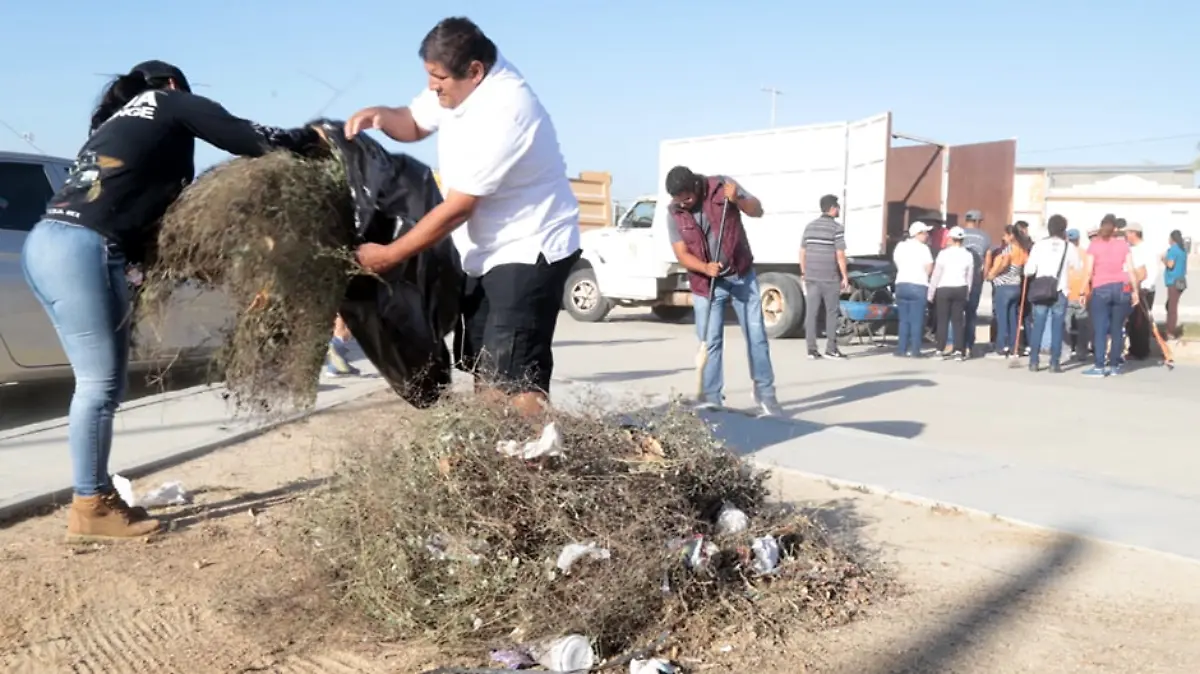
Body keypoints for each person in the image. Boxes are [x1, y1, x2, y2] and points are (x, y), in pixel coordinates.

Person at [21, 60, 323, 542]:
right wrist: (310, 138)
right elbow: (249, 137)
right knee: (100, 388)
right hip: (85, 247)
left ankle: (94, 498)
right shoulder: (168, 101)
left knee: (96, 385)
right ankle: (90, 504)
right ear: (175, 84)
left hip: (44, 244)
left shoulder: (112, 126)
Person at [344, 17, 581, 417]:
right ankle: (492, 452)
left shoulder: (507, 108)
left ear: (474, 71)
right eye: (429, 78)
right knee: (483, 369)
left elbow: (458, 207)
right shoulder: (458, 89)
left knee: (517, 377)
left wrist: (389, 255)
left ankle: (540, 463)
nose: (433, 88)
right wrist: (381, 115)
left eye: (439, 80)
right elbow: (415, 122)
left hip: (528, 251)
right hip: (485, 253)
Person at [664, 167, 781, 417]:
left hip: (741, 275)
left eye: (686, 198)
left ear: (695, 186)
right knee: (710, 342)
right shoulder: (674, 213)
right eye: (677, 200)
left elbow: (757, 210)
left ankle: (766, 393)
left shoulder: (722, 186)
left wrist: (738, 198)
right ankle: (712, 397)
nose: (683, 204)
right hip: (706, 284)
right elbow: (682, 253)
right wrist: (705, 267)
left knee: (757, 336)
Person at [1023, 215, 1083, 373]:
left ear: (1049, 228)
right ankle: (1054, 363)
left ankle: (1034, 361)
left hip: (1041, 290)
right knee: (1058, 327)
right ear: (1064, 229)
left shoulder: (1039, 245)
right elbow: (1077, 266)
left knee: (1038, 326)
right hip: (1060, 289)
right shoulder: (1068, 247)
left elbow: (1029, 270)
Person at [1083, 214, 1140, 377]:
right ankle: (1115, 365)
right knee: (1117, 329)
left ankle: (1099, 366)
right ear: (1116, 228)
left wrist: (1082, 291)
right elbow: (1130, 269)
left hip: (1101, 288)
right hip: (1122, 288)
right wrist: (1135, 291)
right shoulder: (1123, 245)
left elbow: (1088, 271)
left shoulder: (1094, 245)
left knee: (1100, 329)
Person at [800, 194, 850, 360]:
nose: (839, 209)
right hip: (829, 277)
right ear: (832, 208)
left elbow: (802, 251)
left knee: (811, 313)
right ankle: (831, 349)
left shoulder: (809, 227)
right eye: (837, 207)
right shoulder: (837, 228)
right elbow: (840, 254)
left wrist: (803, 271)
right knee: (831, 313)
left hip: (811, 277)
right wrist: (845, 276)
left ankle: (811, 350)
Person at [928, 226, 974, 360]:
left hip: (944, 288)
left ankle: (940, 350)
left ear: (951, 239)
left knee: (942, 320)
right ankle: (959, 350)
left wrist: (931, 293)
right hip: (961, 288)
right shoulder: (968, 255)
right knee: (958, 321)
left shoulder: (943, 254)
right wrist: (967, 292)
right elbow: (969, 276)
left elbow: (936, 274)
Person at [986, 224, 1029, 359]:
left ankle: (1001, 347)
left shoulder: (1009, 249)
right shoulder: (1023, 250)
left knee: (1002, 317)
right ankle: (1013, 347)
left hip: (1004, 286)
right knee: (1013, 318)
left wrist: (993, 274)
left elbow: (1004, 263)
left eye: (1005, 235)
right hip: (1016, 285)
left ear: (1011, 236)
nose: (1003, 237)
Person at [891, 222, 934, 357]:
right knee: (917, 319)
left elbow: (897, 262)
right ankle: (915, 350)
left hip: (901, 284)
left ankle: (901, 349)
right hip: (918, 285)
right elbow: (929, 267)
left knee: (904, 319)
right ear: (918, 234)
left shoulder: (900, 246)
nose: (927, 235)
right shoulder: (924, 249)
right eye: (925, 233)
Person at [955, 209, 992, 355]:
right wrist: (984, 276)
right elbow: (987, 259)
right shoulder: (985, 237)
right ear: (977, 221)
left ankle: (956, 344)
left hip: (958, 277)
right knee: (971, 313)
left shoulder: (958, 233)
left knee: (957, 313)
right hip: (975, 278)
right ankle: (969, 345)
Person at [1124, 223, 1158, 360]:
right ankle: (1134, 349)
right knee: (1132, 320)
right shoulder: (1132, 249)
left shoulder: (1145, 249)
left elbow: (1149, 271)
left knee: (1141, 321)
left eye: (1127, 233)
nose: (1126, 236)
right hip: (1133, 288)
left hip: (1143, 290)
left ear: (1134, 233)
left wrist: (1145, 287)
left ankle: (1141, 351)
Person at [1064, 229, 1092, 362]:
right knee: (1083, 325)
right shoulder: (1086, 254)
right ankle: (1082, 352)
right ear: (1079, 239)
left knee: (1065, 325)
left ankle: (1066, 352)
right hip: (1083, 293)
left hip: (1067, 293)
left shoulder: (1064, 253)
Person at [1163, 229, 1189, 339]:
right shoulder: (1183, 250)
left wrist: (1163, 259)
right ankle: (1170, 326)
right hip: (1181, 280)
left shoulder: (1173, 250)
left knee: (1172, 308)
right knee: (1170, 305)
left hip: (1173, 281)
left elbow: (1170, 265)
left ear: (1172, 239)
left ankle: (1170, 331)